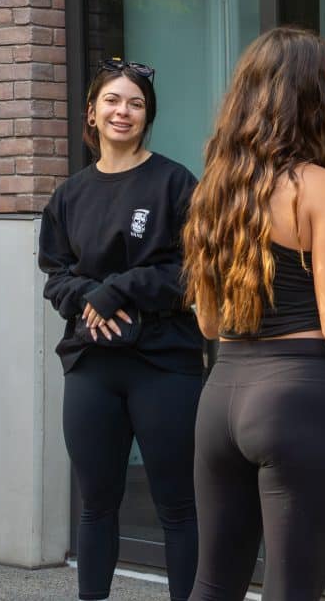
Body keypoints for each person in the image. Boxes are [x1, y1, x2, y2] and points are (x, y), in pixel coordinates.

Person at [182, 26, 325, 600]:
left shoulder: (215, 187)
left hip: (221, 398)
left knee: (212, 584)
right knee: (292, 590)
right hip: (301, 400)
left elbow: (211, 323)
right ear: (305, 99)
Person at [38, 59, 203, 601]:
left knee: (178, 504)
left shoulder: (176, 182)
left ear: (147, 114)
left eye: (134, 103)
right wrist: (90, 296)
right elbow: (55, 276)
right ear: (92, 111)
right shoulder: (69, 195)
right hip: (92, 366)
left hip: (164, 364)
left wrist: (124, 287)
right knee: (97, 503)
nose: (122, 111)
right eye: (112, 100)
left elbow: (195, 273)